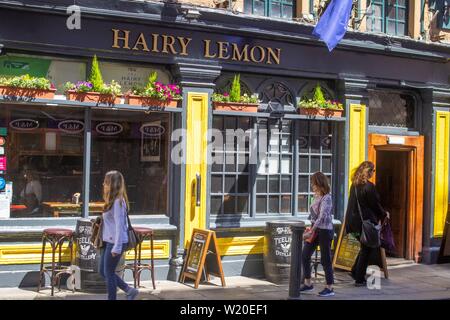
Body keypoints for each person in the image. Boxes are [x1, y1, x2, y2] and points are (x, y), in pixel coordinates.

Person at [345, 161, 390, 286]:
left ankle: (355, 271)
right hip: (365, 223)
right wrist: (384, 213)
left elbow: (351, 205)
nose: (373, 173)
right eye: (373, 171)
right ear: (368, 171)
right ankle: (359, 278)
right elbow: (375, 205)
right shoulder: (369, 187)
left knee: (364, 247)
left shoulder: (354, 185)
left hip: (353, 223)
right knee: (367, 249)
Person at [99, 170, 139, 300]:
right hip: (107, 241)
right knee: (103, 271)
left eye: (106, 182)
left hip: (115, 242)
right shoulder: (112, 201)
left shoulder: (118, 202)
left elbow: (119, 226)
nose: (103, 184)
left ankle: (113, 298)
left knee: (109, 273)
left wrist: (116, 246)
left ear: (113, 184)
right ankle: (129, 290)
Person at [300, 172, 335, 297]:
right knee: (305, 255)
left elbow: (322, 217)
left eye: (314, 183)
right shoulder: (315, 196)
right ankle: (308, 283)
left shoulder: (327, 198)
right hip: (315, 230)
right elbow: (313, 215)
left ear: (320, 184)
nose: (312, 185)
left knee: (325, 259)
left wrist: (311, 231)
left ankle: (329, 287)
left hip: (325, 231)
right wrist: (310, 226)